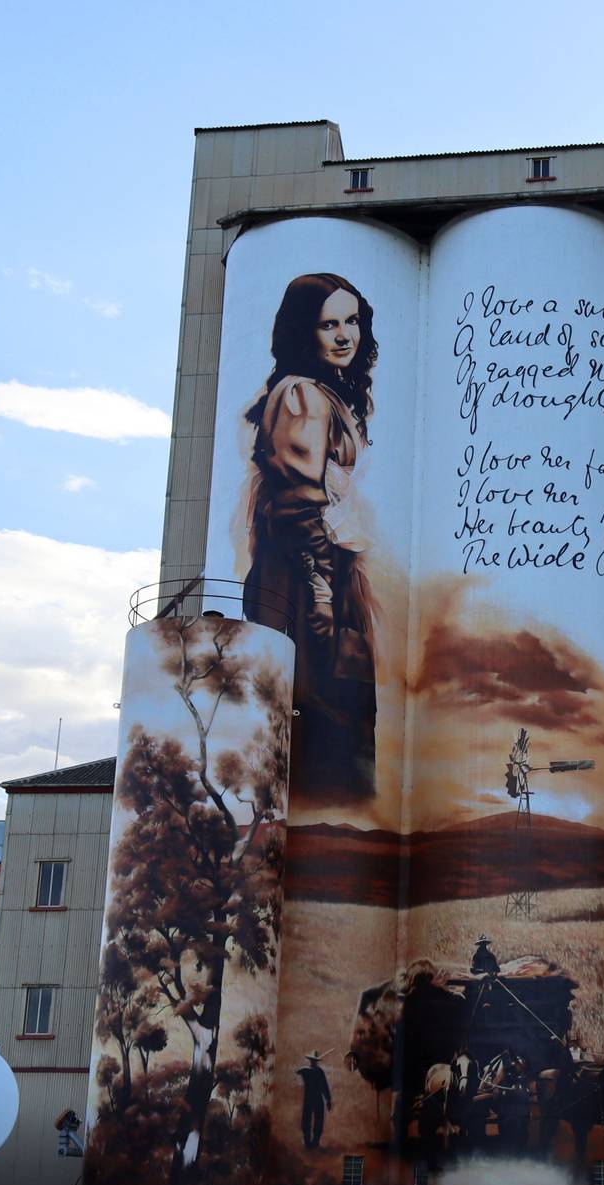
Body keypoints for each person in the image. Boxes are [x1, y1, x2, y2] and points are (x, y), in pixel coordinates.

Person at [240, 273, 381, 806]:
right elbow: (298, 505)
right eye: (329, 324)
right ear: (307, 332)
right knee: (322, 720)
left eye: (352, 321)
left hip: (321, 575)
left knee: (333, 725)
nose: (345, 335)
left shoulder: (327, 393)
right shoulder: (301, 394)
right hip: (304, 582)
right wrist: (322, 598)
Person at [296, 1051, 332, 1150]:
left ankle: (314, 1141)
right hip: (312, 1099)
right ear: (312, 1061)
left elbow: (325, 1087)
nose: (313, 1062)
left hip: (314, 1099)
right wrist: (328, 1100)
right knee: (308, 1120)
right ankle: (309, 1142)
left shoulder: (312, 1071)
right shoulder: (310, 1071)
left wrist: (328, 1100)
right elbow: (298, 1071)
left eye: (313, 1061)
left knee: (317, 1120)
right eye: (313, 1061)